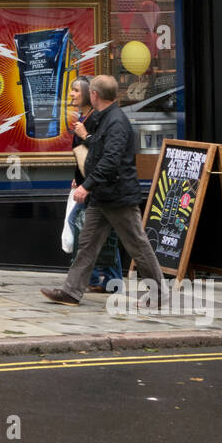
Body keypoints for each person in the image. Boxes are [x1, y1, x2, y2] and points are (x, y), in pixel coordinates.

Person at [42, 74, 165, 306]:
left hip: (118, 197)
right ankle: (71, 291)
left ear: (94, 95)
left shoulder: (116, 121)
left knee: (138, 245)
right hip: (103, 196)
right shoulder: (104, 118)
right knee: (87, 245)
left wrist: (86, 186)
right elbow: (97, 148)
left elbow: (110, 161)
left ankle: (158, 294)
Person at [64, 76, 121, 293]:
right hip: (89, 183)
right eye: (72, 90)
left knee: (92, 231)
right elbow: (84, 156)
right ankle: (103, 280)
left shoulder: (96, 119)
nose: (72, 94)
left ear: (90, 94)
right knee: (97, 233)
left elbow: (100, 152)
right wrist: (78, 177)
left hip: (97, 186)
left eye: (76, 90)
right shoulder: (85, 116)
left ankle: (99, 279)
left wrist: (86, 183)